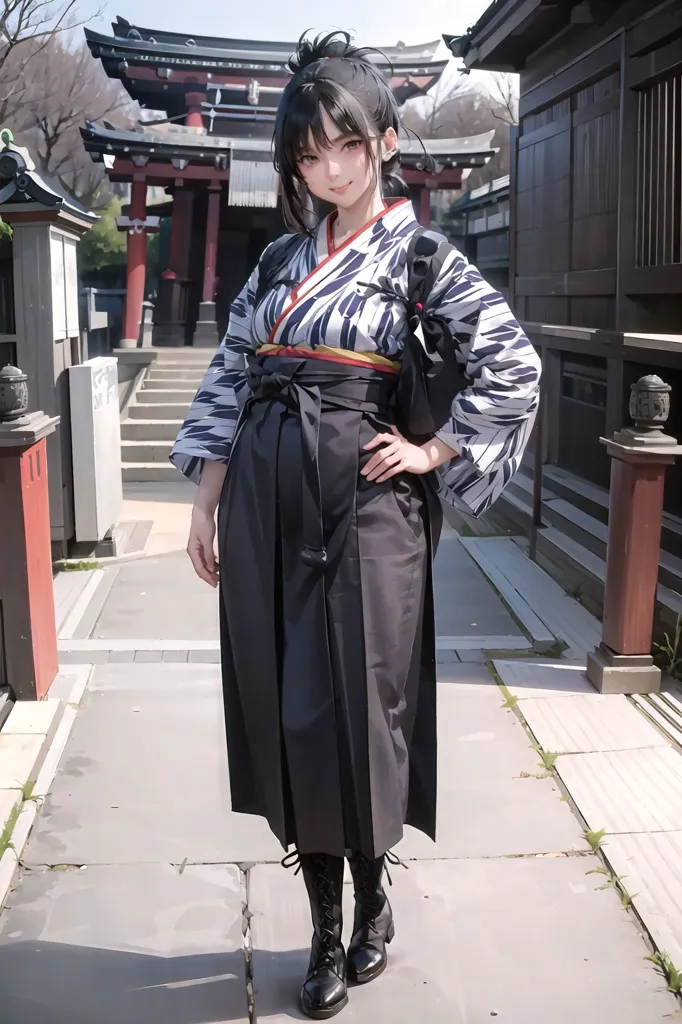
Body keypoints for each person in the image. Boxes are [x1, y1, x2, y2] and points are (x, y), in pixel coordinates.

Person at [171, 30, 541, 1020]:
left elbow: (514, 365)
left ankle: (372, 902)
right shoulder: (282, 261)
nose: (324, 168)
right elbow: (229, 377)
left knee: (357, 710)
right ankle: (324, 928)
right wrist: (206, 499)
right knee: (286, 710)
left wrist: (432, 451)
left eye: (342, 145)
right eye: (305, 153)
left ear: (382, 139)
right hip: (265, 501)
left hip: (368, 517)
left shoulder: (420, 256)